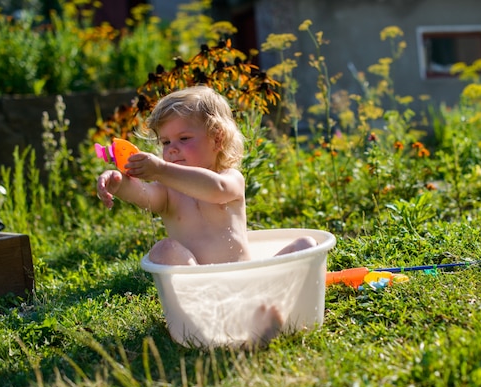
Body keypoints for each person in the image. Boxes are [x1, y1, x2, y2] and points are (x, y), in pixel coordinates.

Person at [96, 86, 316, 346]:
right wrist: (119, 183)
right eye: (166, 142)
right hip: (203, 297)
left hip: (249, 284)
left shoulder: (229, 178)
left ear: (217, 139)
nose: (172, 150)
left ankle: (266, 315)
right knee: (163, 249)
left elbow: (216, 191)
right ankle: (227, 323)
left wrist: (162, 171)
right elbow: (144, 196)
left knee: (306, 245)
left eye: (184, 138)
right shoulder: (167, 190)